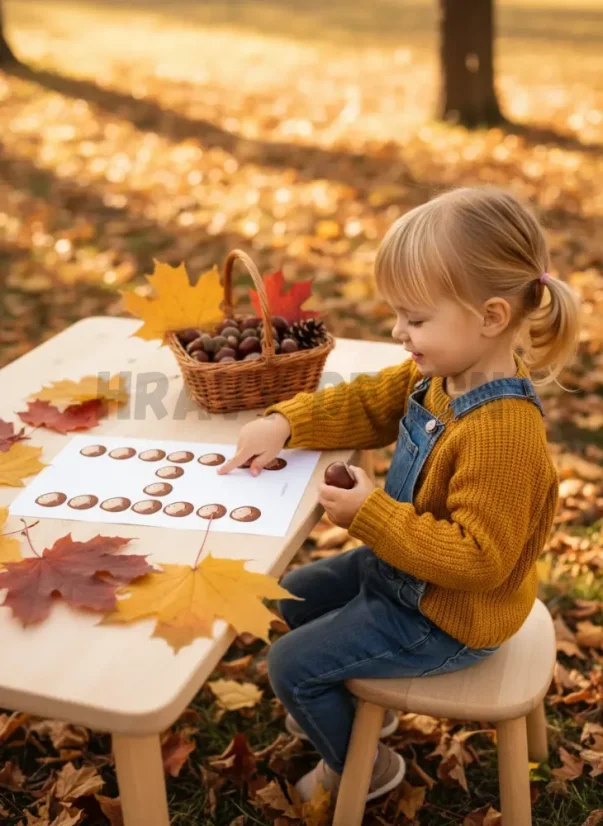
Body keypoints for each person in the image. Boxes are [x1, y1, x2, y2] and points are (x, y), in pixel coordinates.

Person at [218, 187, 581, 802]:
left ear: (491, 317)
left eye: (415, 319)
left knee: (290, 667)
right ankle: (358, 708)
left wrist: (371, 515)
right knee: (288, 594)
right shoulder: (441, 372)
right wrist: (286, 423)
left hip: (451, 617)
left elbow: (478, 561)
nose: (398, 332)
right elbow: (367, 402)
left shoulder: (502, 435)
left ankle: (369, 767)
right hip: (407, 574)